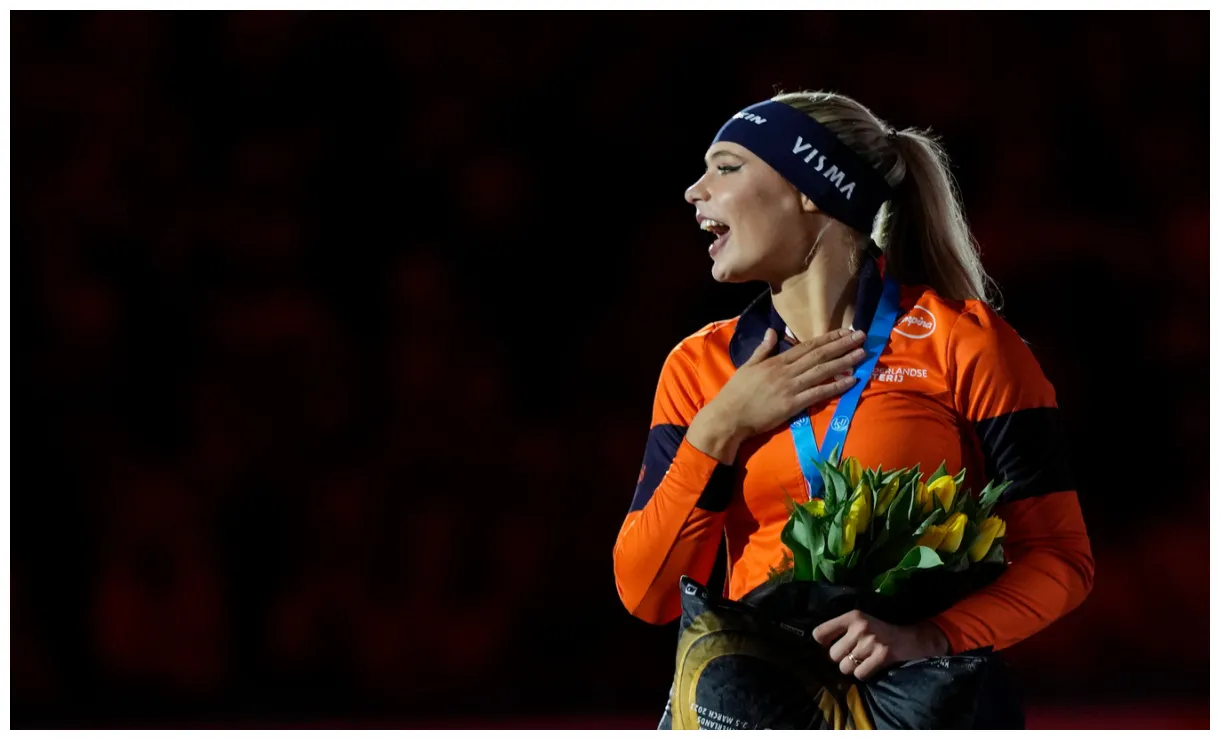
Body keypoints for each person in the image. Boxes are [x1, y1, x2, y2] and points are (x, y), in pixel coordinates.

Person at [612, 90, 1094, 691]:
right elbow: (648, 595)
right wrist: (718, 429)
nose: (695, 190)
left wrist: (929, 637)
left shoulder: (966, 342)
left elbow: (1060, 560)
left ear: (812, 188)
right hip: (759, 710)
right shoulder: (698, 367)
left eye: (727, 167)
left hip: (915, 709)